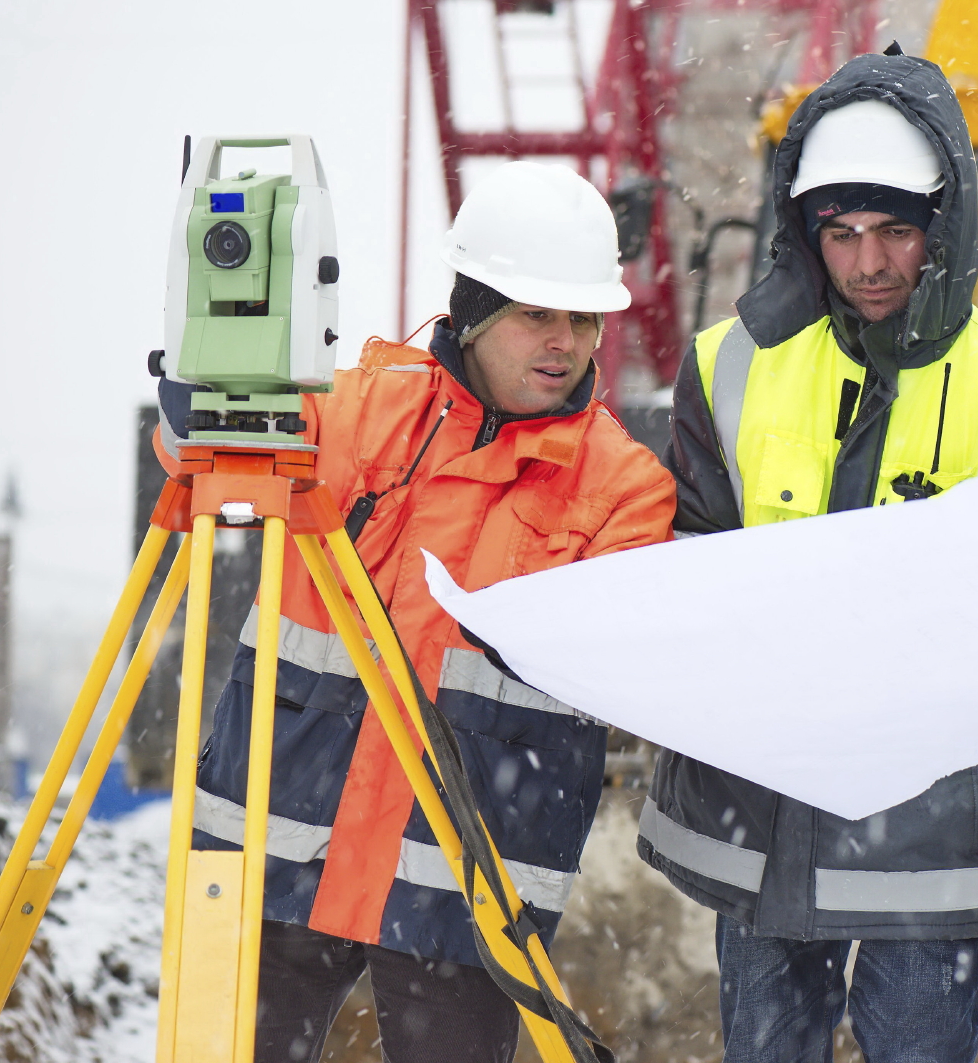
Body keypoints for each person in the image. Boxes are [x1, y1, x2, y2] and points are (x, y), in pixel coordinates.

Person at [155, 160, 676, 1063]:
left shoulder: (625, 488)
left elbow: (633, 669)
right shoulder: (354, 405)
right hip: (279, 844)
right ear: (472, 308)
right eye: (535, 314)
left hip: (466, 881)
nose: (563, 341)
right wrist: (188, 413)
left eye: (582, 318)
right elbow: (202, 461)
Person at [636, 46, 978, 1063]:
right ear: (804, 231)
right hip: (763, 825)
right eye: (838, 233)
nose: (868, 263)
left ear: (944, 225)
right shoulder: (725, 365)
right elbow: (688, 563)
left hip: (934, 845)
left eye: (893, 231)